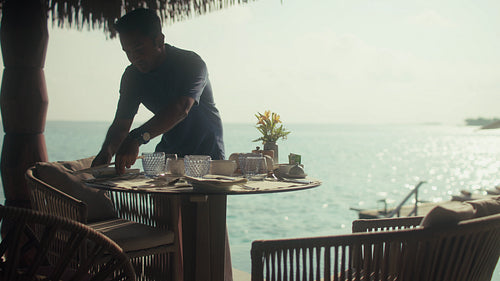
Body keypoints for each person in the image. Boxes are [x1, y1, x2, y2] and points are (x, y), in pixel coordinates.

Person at [92, 8, 225, 174]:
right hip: (169, 157)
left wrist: (136, 138)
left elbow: (181, 109)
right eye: (127, 52)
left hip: (207, 158)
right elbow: (121, 125)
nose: (134, 57)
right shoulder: (132, 76)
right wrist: (105, 154)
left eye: (139, 49)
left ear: (159, 40)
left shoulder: (191, 63)